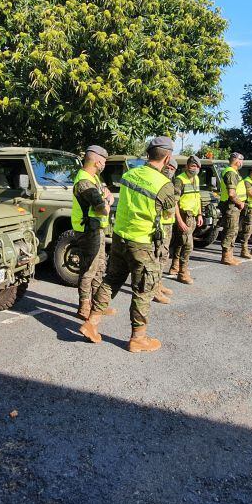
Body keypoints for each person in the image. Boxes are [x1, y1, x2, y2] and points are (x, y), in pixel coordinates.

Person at [79, 137, 177, 353]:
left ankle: (92, 323)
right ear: (167, 158)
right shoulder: (164, 185)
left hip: (119, 237)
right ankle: (138, 338)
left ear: (148, 154)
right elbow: (169, 212)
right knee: (143, 288)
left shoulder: (129, 174)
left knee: (111, 280)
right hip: (141, 242)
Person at [71, 145, 116, 319]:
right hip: (87, 230)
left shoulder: (94, 178)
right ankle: (84, 306)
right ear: (98, 161)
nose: (104, 164)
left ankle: (97, 305)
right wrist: (107, 202)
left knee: (100, 267)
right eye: (104, 160)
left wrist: (107, 198)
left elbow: (107, 195)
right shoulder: (84, 182)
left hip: (97, 229)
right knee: (89, 269)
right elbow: (102, 209)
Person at [168, 156, 204, 284]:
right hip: (184, 215)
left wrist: (200, 214)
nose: (195, 169)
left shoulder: (196, 179)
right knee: (188, 245)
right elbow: (174, 202)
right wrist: (180, 221)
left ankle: (174, 267)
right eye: (192, 166)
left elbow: (197, 197)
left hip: (193, 216)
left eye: (197, 167)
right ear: (187, 167)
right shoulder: (180, 180)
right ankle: (182, 272)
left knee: (180, 242)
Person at [152, 158, 179, 304]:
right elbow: (168, 207)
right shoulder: (158, 182)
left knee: (164, 256)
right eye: (168, 166)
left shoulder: (170, 183)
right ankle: (154, 289)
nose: (169, 170)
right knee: (157, 256)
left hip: (168, 224)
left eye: (173, 168)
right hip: (159, 225)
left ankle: (159, 283)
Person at [218, 153, 246, 265]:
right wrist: (240, 203)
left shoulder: (233, 172)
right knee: (230, 231)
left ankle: (230, 255)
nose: (242, 162)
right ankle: (226, 257)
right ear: (236, 161)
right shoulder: (230, 172)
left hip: (234, 206)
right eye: (241, 160)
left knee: (233, 230)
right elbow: (231, 193)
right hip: (231, 206)